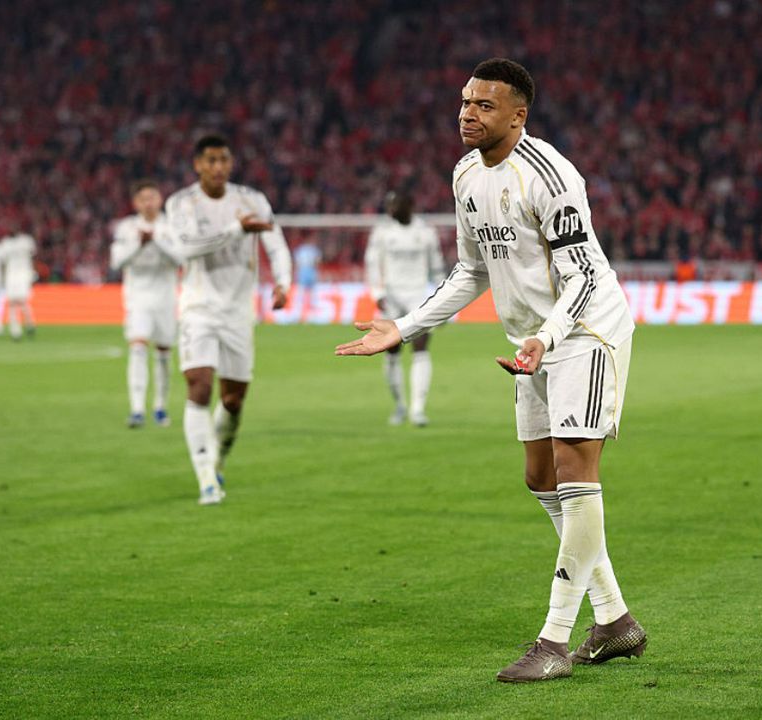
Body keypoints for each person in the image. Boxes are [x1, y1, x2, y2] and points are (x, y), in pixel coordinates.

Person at [336, 58, 646, 682]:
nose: (467, 114)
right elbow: (470, 271)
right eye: (464, 102)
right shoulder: (464, 175)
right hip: (533, 343)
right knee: (540, 477)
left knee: (574, 470)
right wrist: (404, 325)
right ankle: (614, 620)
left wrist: (547, 337)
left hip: (584, 332)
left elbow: (584, 275)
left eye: (484, 105)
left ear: (517, 115)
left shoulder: (551, 175)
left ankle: (553, 641)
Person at [165, 134, 291, 505]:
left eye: (224, 160)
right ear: (197, 165)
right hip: (198, 308)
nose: (218, 167)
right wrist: (237, 230)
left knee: (233, 400)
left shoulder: (252, 200)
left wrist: (283, 282)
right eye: (211, 161)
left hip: (238, 311)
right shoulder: (181, 203)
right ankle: (206, 478)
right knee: (199, 386)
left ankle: (217, 459)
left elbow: (275, 243)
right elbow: (186, 247)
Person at [364, 189, 445, 426]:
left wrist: (442, 302)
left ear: (409, 206)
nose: (390, 209)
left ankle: (417, 409)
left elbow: (437, 267)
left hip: (418, 295)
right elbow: (372, 264)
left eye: (395, 205)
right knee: (391, 352)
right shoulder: (382, 232)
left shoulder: (426, 233)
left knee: (420, 348)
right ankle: (400, 405)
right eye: (389, 205)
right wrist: (377, 293)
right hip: (391, 297)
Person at [110, 179, 182, 428]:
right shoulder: (127, 228)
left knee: (163, 353)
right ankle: (137, 409)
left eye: (152, 197)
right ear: (136, 203)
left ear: (160, 199)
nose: (148, 203)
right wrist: (139, 244)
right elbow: (116, 262)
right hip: (137, 298)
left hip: (166, 298)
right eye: (143, 199)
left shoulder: (171, 226)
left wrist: (156, 241)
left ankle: (160, 406)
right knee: (138, 348)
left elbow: (181, 259)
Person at [0, 228, 37, 340]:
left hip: (16, 275)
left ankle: (20, 328)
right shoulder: (26, 240)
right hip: (19, 274)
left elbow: (2, 261)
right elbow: (33, 253)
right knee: (19, 302)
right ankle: (25, 326)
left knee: (16, 302)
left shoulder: (6, 243)